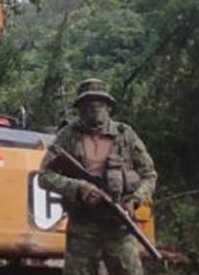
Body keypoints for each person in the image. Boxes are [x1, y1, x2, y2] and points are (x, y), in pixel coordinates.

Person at [39, 78, 157, 275]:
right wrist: (79, 187)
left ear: (108, 106)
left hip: (118, 226)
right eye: (88, 103)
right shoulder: (68, 136)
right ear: (80, 107)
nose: (94, 108)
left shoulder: (125, 135)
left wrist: (135, 200)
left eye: (99, 103)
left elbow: (149, 174)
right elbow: (45, 176)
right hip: (82, 227)